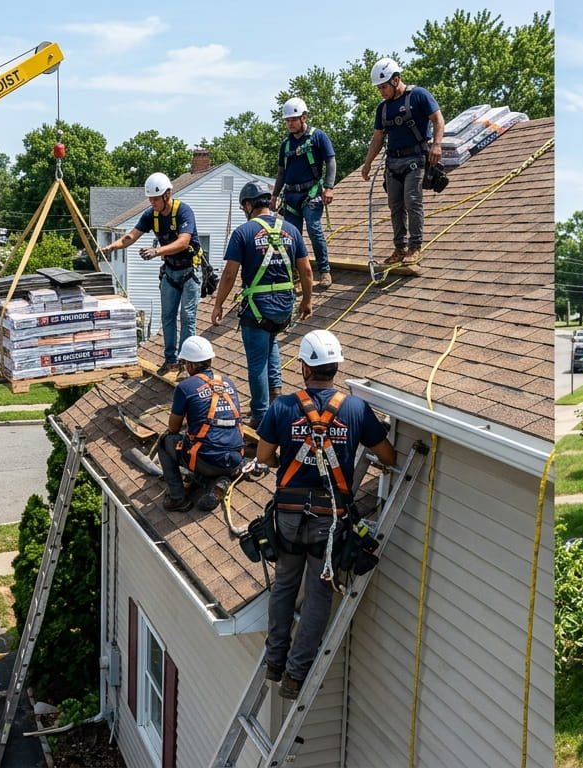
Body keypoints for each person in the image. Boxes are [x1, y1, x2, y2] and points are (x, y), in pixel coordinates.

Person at [255, 330, 397, 698]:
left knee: (285, 585)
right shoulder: (355, 409)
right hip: (328, 520)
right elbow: (388, 455)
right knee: (318, 595)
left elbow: (264, 457)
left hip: (287, 515)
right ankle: (295, 677)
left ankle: (275, 661)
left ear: (304, 368)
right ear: (337, 366)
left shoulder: (282, 407)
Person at [210, 180, 313, 428]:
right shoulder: (291, 230)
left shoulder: (243, 233)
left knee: (257, 362)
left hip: (258, 308)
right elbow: (307, 270)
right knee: (271, 344)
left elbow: (229, 275)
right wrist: (307, 301)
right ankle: (276, 397)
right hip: (283, 307)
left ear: (248, 205)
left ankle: (260, 414)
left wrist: (218, 304)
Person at [107, 172, 204, 375]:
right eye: (150, 199)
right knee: (167, 317)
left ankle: (186, 365)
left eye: (155, 198)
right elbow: (130, 236)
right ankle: (170, 361)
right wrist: (112, 247)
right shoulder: (151, 215)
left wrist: (157, 251)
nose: (152, 202)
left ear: (167, 195)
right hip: (170, 272)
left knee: (187, 317)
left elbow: (184, 241)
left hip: (189, 272)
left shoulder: (184, 211)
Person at [359, 57, 445, 265]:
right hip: (393, 163)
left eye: (384, 87)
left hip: (415, 159)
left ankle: (415, 247)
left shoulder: (419, 95)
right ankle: (400, 248)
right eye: (379, 88)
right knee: (395, 206)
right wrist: (368, 162)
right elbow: (378, 137)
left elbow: (438, 119)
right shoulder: (383, 108)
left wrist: (437, 144)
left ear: (396, 79)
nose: (381, 91)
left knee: (412, 201)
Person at [156, 336, 246, 512]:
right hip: (235, 456)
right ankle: (216, 483)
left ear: (189, 365)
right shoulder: (228, 382)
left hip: (207, 460)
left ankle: (177, 498)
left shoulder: (186, 387)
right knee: (204, 445)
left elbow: (173, 428)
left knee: (165, 443)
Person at [271, 97, 337, 289]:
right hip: (290, 196)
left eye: (293, 119)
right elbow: (281, 172)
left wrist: (329, 186)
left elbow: (330, 161)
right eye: (287, 120)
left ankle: (324, 271)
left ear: (304, 117)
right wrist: (275, 195)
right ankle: (296, 276)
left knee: (314, 229)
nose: (290, 124)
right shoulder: (286, 144)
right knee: (290, 237)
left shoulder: (318, 137)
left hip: (312, 193)